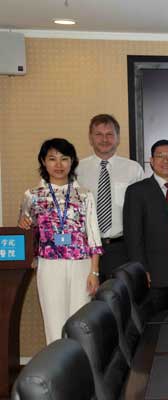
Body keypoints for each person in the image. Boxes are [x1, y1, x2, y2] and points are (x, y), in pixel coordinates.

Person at [18, 138, 103, 344]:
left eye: (64, 158)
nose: (58, 164)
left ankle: (81, 363)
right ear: (43, 161)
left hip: (81, 264)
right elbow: (25, 227)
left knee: (80, 323)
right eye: (52, 159)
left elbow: (93, 234)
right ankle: (57, 363)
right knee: (53, 321)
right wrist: (23, 222)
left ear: (72, 162)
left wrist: (94, 272)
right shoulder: (32, 195)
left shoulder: (84, 195)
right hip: (49, 264)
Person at [123, 139, 168, 313]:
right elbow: (133, 236)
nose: (166, 160)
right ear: (151, 161)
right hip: (152, 272)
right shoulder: (137, 191)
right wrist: (141, 270)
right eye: (160, 156)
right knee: (153, 322)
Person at [77, 114, 144, 281]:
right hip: (86, 249)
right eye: (99, 134)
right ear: (90, 138)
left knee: (120, 295)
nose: (104, 139)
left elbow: (143, 212)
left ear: (118, 138)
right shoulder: (77, 170)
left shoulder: (133, 169)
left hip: (121, 249)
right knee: (88, 296)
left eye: (109, 134)